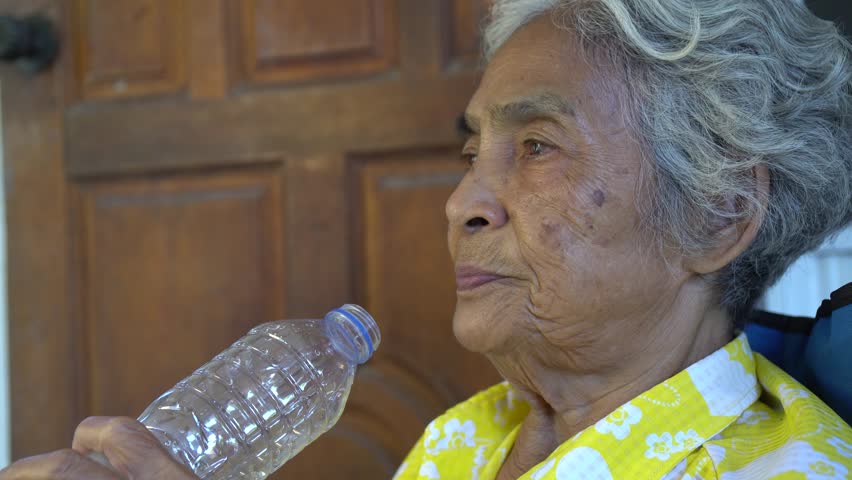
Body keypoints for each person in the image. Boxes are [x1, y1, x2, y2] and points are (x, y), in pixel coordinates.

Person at [3, 0, 852, 478]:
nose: (461, 203)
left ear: (718, 213)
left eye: (537, 147)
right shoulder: (466, 439)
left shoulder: (790, 471)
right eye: (470, 151)